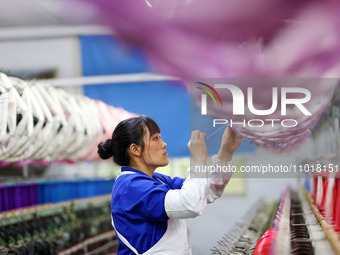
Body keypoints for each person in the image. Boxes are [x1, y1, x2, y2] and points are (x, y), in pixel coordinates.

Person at [98, 116, 242, 255]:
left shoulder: (157, 180)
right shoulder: (130, 187)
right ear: (135, 149)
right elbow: (188, 205)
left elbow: (206, 190)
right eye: (155, 138)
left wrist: (226, 151)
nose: (163, 144)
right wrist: (199, 161)